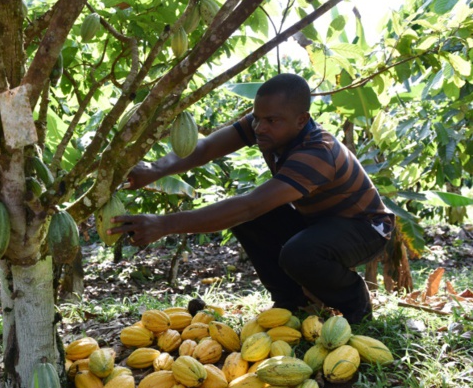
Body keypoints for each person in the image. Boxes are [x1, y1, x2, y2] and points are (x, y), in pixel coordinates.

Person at [108, 73, 394, 323]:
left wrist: (164, 224)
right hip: (320, 222)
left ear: (301, 120)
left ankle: (355, 304)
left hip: (365, 228)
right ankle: (293, 303)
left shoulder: (317, 152)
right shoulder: (267, 127)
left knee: (296, 250)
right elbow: (207, 148)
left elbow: (249, 206)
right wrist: (153, 170)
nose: (260, 127)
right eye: (257, 118)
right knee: (252, 221)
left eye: (271, 120)